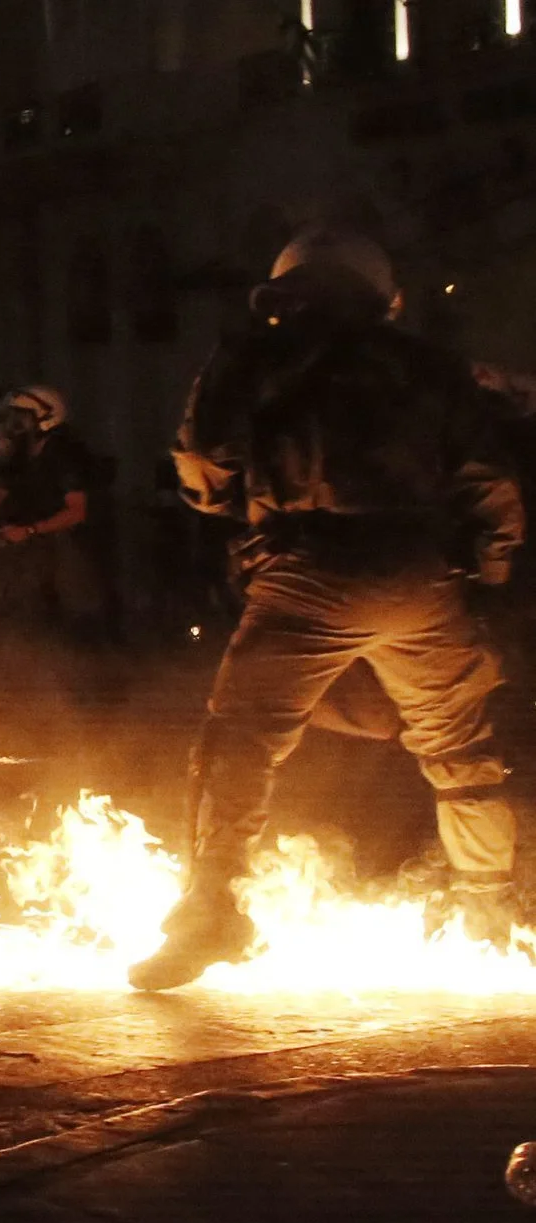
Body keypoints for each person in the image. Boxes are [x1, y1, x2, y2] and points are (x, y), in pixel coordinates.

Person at [131, 227, 524, 991]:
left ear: (287, 288)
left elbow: (204, 464)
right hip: (420, 573)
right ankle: (488, 914)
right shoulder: (429, 365)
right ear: (380, 295)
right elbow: (486, 477)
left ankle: (211, 912)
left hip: (306, 569)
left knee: (241, 741)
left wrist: (234, 506)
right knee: (458, 751)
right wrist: (485, 567)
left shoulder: (255, 358)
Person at [0, 385, 113, 650]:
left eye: (20, 419)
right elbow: (0, 495)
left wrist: (30, 530)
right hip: (30, 555)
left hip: (64, 554)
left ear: (45, 418)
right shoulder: (19, 457)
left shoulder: (65, 455)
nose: (13, 426)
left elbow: (77, 512)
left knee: (66, 627)